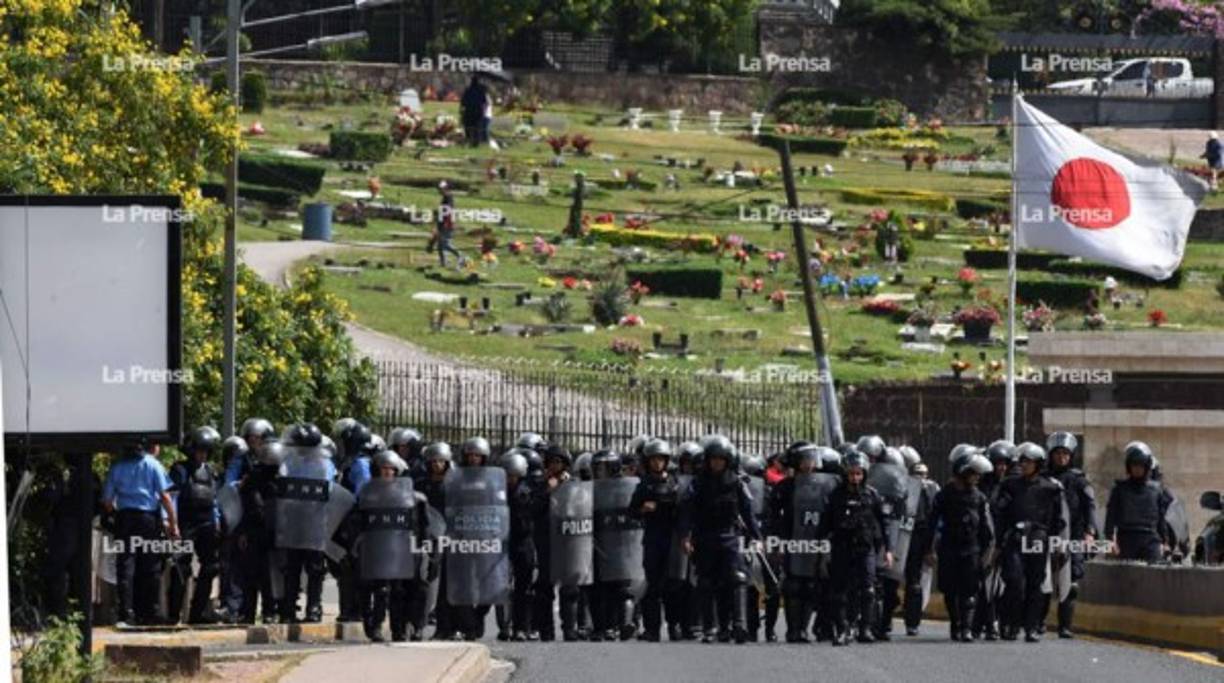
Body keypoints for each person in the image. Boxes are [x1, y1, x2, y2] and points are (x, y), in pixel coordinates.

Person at [679, 435, 760, 644]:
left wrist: (756, 537)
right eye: (713, 459)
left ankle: (738, 625)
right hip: (705, 537)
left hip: (729, 536)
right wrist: (685, 537)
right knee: (706, 582)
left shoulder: (736, 482)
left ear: (727, 460)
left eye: (720, 459)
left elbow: (747, 512)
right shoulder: (698, 483)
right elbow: (687, 512)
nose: (716, 463)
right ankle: (711, 628)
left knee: (737, 578)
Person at [817, 449, 891, 646]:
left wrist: (888, 550)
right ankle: (842, 629)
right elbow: (825, 524)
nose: (855, 477)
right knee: (839, 591)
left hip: (865, 548)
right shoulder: (835, 496)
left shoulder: (872, 495)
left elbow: (883, 524)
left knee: (868, 589)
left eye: (858, 473)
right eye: (851, 473)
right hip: (841, 547)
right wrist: (822, 546)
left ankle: (865, 628)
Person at [994, 442, 1065, 643]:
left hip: (1038, 540)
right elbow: (1000, 514)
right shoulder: (1009, 485)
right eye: (1022, 461)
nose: (1024, 465)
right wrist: (999, 543)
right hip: (1015, 539)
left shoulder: (1050, 488)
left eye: (1029, 462)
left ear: (1039, 464)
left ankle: (1031, 627)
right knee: (1015, 581)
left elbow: (1057, 519)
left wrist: (1056, 542)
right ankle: (1010, 624)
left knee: (1035, 584)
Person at [102, 440, 178, 626]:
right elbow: (165, 496)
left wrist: (115, 514)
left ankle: (126, 613)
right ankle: (149, 612)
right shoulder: (152, 464)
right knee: (150, 566)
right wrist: (173, 523)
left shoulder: (117, 467)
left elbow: (107, 501)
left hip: (125, 518)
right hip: (148, 519)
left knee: (125, 565)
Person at [930, 451, 994, 642]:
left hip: (971, 549)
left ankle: (966, 628)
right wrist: (929, 549)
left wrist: (988, 552)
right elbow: (933, 522)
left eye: (978, 474)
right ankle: (955, 623)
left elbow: (987, 527)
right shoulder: (944, 495)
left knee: (969, 590)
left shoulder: (980, 498)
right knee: (950, 589)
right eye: (973, 474)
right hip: (949, 547)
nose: (976, 478)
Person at [167, 426, 224, 625]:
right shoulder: (180, 470)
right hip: (186, 524)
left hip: (206, 524)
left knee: (211, 567)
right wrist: (172, 523)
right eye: (200, 451)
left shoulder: (210, 471)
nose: (203, 455)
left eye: (206, 451)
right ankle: (173, 615)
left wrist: (216, 522)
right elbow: (172, 497)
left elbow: (214, 499)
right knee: (181, 566)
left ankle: (197, 614)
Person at [630, 439, 684, 642]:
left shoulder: (674, 483)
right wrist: (643, 509)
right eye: (653, 459)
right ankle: (652, 628)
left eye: (660, 459)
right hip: (653, 537)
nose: (657, 463)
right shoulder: (644, 485)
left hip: (672, 537)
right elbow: (632, 511)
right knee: (653, 585)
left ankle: (674, 625)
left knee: (674, 585)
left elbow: (684, 510)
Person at [1045, 432, 1098, 639]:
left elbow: (1090, 507)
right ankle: (1038, 624)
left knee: (1072, 582)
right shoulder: (1043, 478)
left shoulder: (1079, 480)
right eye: (1057, 453)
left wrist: (1090, 533)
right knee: (1043, 580)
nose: (1061, 457)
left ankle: (1065, 626)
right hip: (1047, 535)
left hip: (1073, 536)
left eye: (1065, 454)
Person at [235, 441, 287, 624]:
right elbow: (249, 507)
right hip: (257, 531)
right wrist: (244, 531)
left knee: (268, 575)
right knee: (254, 575)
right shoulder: (254, 478)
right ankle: (252, 612)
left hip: (272, 531)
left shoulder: (280, 479)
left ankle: (267, 611)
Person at [1104, 441, 1172, 563]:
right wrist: (1110, 540)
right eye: (1134, 465)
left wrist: (1165, 542)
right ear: (1129, 467)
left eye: (1140, 465)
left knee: (1154, 574)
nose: (1137, 469)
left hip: (1150, 538)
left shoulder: (1156, 490)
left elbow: (1161, 519)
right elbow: (1111, 517)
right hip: (1126, 539)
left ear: (1146, 466)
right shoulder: (1119, 489)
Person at [416, 442, 455, 639]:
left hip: (447, 537)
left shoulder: (453, 484)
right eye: (434, 461)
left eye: (442, 461)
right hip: (425, 536)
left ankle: (444, 627)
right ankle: (417, 625)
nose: (437, 465)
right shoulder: (421, 484)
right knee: (422, 580)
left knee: (444, 585)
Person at [501, 449, 539, 641]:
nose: (510, 479)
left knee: (524, 588)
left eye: (514, 475)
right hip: (502, 541)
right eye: (508, 475)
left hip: (523, 541)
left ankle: (521, 628)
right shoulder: (497, 492)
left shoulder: (527, 492)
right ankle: (503, 627)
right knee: (499, 585)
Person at [902, 448, 939, 637]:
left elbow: (935, 521)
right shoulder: (900, 487)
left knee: (916, 583)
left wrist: (931, 547)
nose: (921, 478)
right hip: (902, 536)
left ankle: (913, 621)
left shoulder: (932, 490)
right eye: (917, 474)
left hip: (921, 538)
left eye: (923, 474)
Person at [435, 181, 466, 269]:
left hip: (446, 225)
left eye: (441, 189)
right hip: (442, 224)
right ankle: (443, 263)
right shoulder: (445, 197)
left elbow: (448, 211)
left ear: (445, 188)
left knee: (445, 244)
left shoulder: (448, 197)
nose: (439, 190)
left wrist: (445, 223)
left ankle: (461, 256)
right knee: (440, 245)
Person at [460, 76, 488, 146]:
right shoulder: (481, 91)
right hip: (478, 111)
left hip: (469, 110)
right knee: (477, 127)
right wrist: (484, 111)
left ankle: (469, 139)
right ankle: (475, 141)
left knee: (468, 126)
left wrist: (461, 110)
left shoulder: (468, 90)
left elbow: (463, 102)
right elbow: (484, 102)